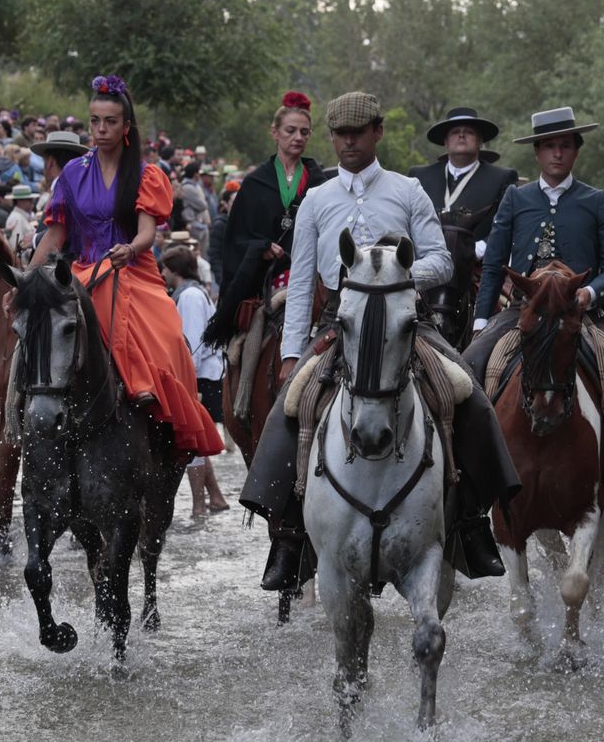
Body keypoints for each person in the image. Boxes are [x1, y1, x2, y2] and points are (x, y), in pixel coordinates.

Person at [241, 91, 516, 591]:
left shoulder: (408, 191)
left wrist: (398, 275)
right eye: (340, 134)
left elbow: (442, 260)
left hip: (405, 322)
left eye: (357, 132)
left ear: (377, 132)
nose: (348, 141)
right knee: (291, 403)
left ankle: (473, 524)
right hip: (336, 325)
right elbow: (301, 281)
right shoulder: (316, 200)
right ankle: (286, 537)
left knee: (468, 393)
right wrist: (287, 353)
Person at [465, 106, 604, 526]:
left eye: (564, 146)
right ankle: (466, 488)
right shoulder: (516, 199)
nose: (557, 153)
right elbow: (493, 264)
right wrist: (481, 322)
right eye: (549, 147)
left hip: (583, 314)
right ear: (537, 153)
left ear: (576, 151)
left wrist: (590, 291)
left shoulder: (597, 201)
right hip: (525, 313)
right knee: (468, 369)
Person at [17, 74, 222, 460]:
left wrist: (129, 248)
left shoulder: (146, 174)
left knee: (170, 335)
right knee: (36, 321)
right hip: (84, 270)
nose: (101, 129)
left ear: (126, 127)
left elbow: (147, 233)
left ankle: (148, 391)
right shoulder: (72, 174)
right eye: (95, 121)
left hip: (134, 267)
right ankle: (20, 401)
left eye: (110, 121)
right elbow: (53, 237)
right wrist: (26, 280)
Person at [203, 92, 330, 344]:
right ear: (275, 132)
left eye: (304, 132)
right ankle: (243, 383)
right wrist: (259, 248)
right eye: (290, 130)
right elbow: (236, 239)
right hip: (266, 281)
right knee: (247, 347)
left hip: (312, 277)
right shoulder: (254, 184)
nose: (297, 137)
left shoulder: (320, 184)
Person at [162, 246, 229, 518]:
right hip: (203, 373)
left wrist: (189, 382)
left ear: (175, 270)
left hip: (199, 376)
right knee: (198, 439)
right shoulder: (192, 291)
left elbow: (192, 343)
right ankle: (215, 497)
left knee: (193, 442)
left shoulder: (188, 296)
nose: (162, 273)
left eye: (165, 268)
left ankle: (198, 506)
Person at [408, 107, 519, 243]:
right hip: (426, 259)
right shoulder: (420, 176)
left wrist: (482, 248)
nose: (461, 135)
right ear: (446, 142)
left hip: (478, 261)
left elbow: (508, 225)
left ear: (480, 141)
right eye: (455, 132)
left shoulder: (501, 178)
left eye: (469, 132)